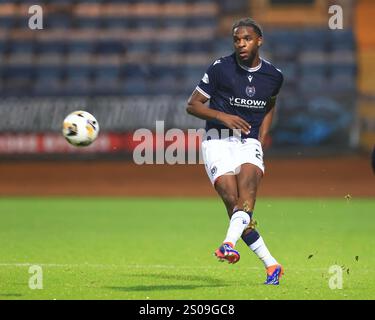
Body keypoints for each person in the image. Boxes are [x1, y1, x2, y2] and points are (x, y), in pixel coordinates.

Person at [186, 18, 284, 285]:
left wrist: (262, 137)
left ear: (259, 41)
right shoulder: (220, 68)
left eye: (247, 39)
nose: (241, 44)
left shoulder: (274, 76)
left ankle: (228, 244)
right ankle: (272, 265)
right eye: (237, 40)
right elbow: (192, 105)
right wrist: (223, 116)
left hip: (248, 142)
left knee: (246, 202)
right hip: (216, 141)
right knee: (235, 208)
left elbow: (270, 104)